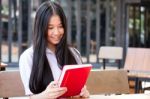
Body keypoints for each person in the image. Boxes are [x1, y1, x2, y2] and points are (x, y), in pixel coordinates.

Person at [19, 1, 89, 99]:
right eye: (50, 28)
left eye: (60, 26)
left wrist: (83, 95)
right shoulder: (28, 57)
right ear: (40, 28)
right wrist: (45, 96)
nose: (56, 32)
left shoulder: (74, 53)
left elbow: (80, 90)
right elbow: (32, 97)